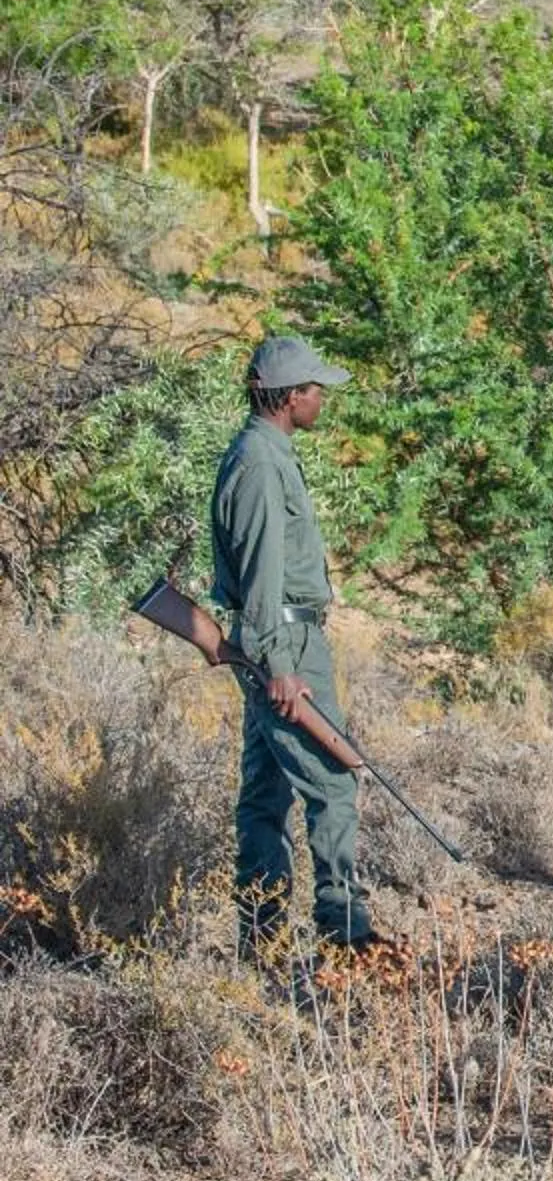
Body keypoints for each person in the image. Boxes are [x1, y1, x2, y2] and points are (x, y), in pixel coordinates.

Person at [214, 334, 383, 957]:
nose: (321, 400)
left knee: (265, 794)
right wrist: (280, 664)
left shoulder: (265, 451)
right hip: (283, 641)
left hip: (278, 638)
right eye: (315, 390)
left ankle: (259, 941)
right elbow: (260, 575)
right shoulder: (261, 463)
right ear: (289, 398)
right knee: (334, 783)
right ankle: (345, 936)